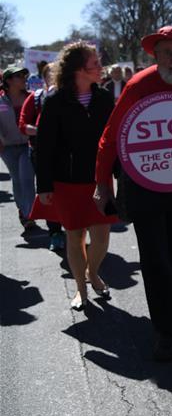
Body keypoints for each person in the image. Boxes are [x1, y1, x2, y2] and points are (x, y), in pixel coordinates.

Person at [94, 25, 172, 362]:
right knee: (154, 255)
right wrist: (102, 182)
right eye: (167, 52)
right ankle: (165, 328)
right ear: (156, 55)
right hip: (143, 186)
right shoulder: (139, 85)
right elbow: (110, 135)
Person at [31, 42, 117, 311]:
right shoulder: (56, 101)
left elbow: (115, 139)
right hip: (66, 182)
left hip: (99, 180)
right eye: (95, 63)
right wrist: (44, 185)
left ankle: (93, 273)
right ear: (80, 69)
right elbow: (44, 146)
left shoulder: (104, 98)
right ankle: (81, 289)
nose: (101, 67)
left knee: (102, 239)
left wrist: (121, 175)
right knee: (75, 237)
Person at [19, 62, 65, 250]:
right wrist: (40, 131)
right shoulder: (36, 98)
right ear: (44, 78)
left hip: (66, 153)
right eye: (50, 74)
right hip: (40, 152)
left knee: (67, 190)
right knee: (47, 192)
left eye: (57, 73)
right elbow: (23, 124)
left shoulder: (74, 96)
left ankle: (73, 227)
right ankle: (55, 232)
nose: (54, 77)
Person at [0, 65, 37, 232]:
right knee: (17, 180)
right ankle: (23, 210)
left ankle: (29, 214)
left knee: (27, 178)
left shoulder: (32, 98)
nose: (23, 79)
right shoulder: (0, 101)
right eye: (19, 76)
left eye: (24, 76)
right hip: (7, 148)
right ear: (8, 81)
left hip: (28, 145)